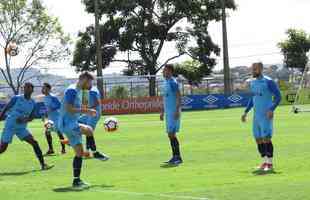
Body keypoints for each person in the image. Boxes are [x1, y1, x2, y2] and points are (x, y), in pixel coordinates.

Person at [58, 72, 99, 189]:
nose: (92, 85)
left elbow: (84, 108)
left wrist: (88, 110)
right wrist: (87, 111)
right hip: (67, 123)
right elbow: (69, 108)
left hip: (72, 123)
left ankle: (76, 181)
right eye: (90, 82)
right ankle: (95, 152)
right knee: (89, 130)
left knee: (79, 153)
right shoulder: (71, 90)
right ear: (84, 80)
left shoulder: (84, 92)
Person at [0, 82, 53, 170]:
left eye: (28, 87)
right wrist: (1, 116)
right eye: (25, 87)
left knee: (34, 142)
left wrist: (24, 120)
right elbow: (6, 107)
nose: (26, 89)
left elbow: (32, 117)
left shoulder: (33, 103)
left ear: (32, 90)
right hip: (10, 126)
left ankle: (43, 165)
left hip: (21, 128)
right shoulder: (16, 98)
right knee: (2, 148)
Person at [242, 62, 282, 172]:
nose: (253, 71)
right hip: (256, 116)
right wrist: (245, 112)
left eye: (255, 69)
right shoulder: (253, 82)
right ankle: (264, 162)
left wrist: (271, 109)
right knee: (258, 139)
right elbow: (253, 98)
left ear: (261, 69)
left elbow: (279, 97)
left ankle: (270, 164)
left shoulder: (268, 82)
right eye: (252, 69)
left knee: (266, 138)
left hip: (266, 115)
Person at [78, 86, 109, 160]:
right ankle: (86, 151)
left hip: (93, 114)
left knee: (88, 131)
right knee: (78, 122)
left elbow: (97, 102)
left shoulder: (93, 91)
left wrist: (87, 108)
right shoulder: (88, 90)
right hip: (89, 113)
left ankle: (91, 152)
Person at [160, 64, 183, 165]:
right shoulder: (165, 82)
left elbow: (178, 96)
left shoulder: (173, 82)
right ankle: (175, 156)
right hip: (168, 112)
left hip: (174, 112)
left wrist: (177, 110)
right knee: (170, 134)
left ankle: (177, 157)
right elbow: (165, 98)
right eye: (163, 71)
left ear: (170, 71)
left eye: (165, 70)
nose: (163, 72)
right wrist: (162, 111)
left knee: (171, 134)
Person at [41, 83, 66, 155]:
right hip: (50, 119)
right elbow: (47, 108)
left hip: (56, 118)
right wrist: (45, 115)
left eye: (44, 88)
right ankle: (51, 149)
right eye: (42, 88)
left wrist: (51, 109)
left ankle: (63, 149)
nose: (42, 89)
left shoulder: (52, 97)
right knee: (47, 132)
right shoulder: (45, 97)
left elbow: (59, 105)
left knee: (59, 133)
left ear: (48, 89)